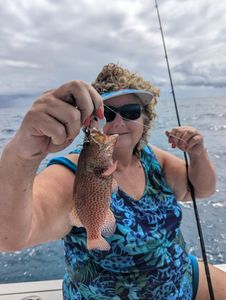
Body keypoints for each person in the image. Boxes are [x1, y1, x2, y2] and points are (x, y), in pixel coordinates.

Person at [0, 63, 225, 300]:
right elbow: (9, 237)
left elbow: (202, 189)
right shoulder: (74, 172)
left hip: (181, 276)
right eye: (106, 113)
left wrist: (198, 154)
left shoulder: (154, 158)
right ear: (90, 123)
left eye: (130, 111)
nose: (118, 122)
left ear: (145, 118)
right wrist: (23, 154)